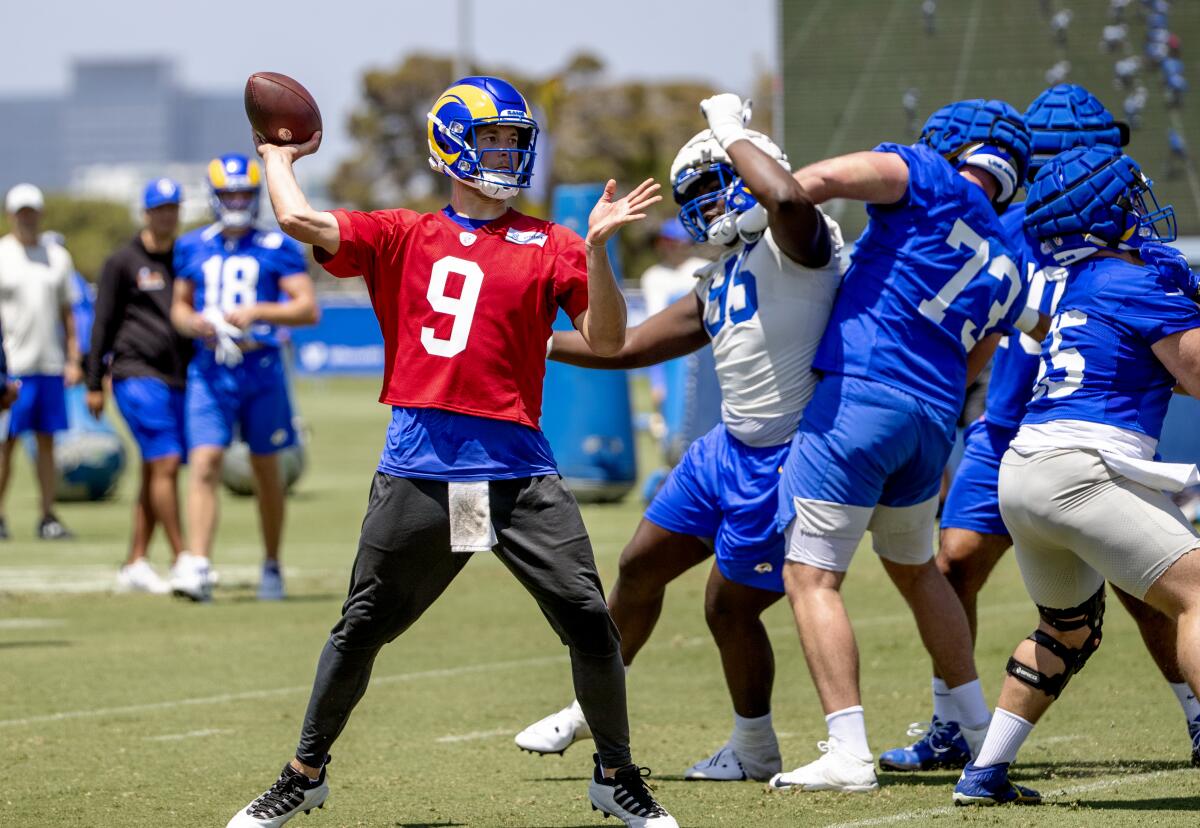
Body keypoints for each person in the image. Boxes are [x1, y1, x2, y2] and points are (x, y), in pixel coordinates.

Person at [225, 76, 678, 828]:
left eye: (511, 139)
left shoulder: (552, 242)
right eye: (490, 138)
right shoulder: (404, 231)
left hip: (518, 474)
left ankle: (615, 773)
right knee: (362, 626)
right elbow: (298, 217)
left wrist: (597, 251)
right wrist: (277, 154)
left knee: (590, 621)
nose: (504, 151)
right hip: (424, 469)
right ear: (451, 146)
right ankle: (304, 774)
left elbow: (606, 341)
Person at [514, 95, 844, 783]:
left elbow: (785, 199)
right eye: (693, 192)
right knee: (638, 566)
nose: (705, 203)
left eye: (714, 182)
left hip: (785, 457)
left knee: (728, 607)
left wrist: (730, 130)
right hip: (723, 451)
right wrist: (532, 339)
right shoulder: (720, 275)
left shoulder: (804, 244)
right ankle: (585, 710)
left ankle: (754, 748)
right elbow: (627, 346)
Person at [883, 84, 1200, 771]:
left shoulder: (1108, 236)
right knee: (956, 564)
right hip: (1019, 430)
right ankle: (955, 724)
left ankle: (1193, 714)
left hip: (1071, 434)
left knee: (1137, 593)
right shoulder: (1017, 228)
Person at [767, 100, 1045, 793]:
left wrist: (765, 214)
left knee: (811, 575)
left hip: (862, 392)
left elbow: (822, 180)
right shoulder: (1010, 253)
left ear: (961, 148)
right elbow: (976, 356)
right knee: (917, 570)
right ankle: (981, 732)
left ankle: (848, 751)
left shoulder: (928, 173)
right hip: (932, 416)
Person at [953, 144, 1200, 805]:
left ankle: (983, 773)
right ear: (1107, 214)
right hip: (1082, 468)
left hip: (1025, 470)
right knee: (1198, 597)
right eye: (1128, 204)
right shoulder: (1135, 282)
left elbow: (1130, 369)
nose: (1138, 215)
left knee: (1066, 629)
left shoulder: (1071, 285)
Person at [169, 154, 318, 601]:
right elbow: (179, 307)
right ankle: (198, 565)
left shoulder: (277, 247)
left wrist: (258, 312)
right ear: (214, 196)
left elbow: (307, 308)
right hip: (211, 367)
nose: (236, 201)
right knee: (204, 463)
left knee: (266, 468)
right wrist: (194, 323)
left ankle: (272, 563)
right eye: (229, 193)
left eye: (243, 194)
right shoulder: (192, 245)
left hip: (262, 366)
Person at [87, 178, 192, 594]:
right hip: (135, 373)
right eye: (159, 208)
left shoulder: (185, 259)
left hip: (178, 377)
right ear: (146, 213)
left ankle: (135, 562)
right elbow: (103, 324)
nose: (166, 214)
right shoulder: (122, 262)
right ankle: (185, 558)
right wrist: (94, 381)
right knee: (165, 462)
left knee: (156, 469)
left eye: (172, 207)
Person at [0, 183, 80, 540]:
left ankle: (48, 516)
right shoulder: (2, 254)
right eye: (21, 213)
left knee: (47, 444)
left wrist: (74, 359)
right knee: (6, 443)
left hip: (49, 364)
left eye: (32, 212)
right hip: (11, 367)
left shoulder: (57, 257)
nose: (27, 218)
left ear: (40, 214)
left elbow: (69, 314)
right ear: (11, 215)